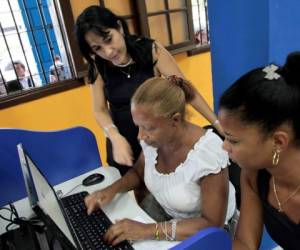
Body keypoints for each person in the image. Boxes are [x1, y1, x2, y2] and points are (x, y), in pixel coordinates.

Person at [84, 76, 236, 245]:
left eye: (148, 128)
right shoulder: (152, 141)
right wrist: (111, 190)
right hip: (170, 216)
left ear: (175, 120)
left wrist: (146, 231)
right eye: (138, 126)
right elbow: (138, 172)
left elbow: (211, 225)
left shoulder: (208, 154)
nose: (140, 136)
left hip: (206, 232)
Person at [75, 6, 222, 176]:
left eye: (108, 39)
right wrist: (114, 137)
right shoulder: (98, 65)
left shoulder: (150, 50)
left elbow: (186, 90)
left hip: (156, 139)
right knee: (133, 192)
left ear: (119, 28)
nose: (108, 51)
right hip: (123, 142)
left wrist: (217, 123)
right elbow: (99, 109)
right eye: (97, 48)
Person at [218, 52, 300, 250]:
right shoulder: (253, 174)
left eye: (233, 140)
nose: (224, 146)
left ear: (278, 141)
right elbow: (245, 242)